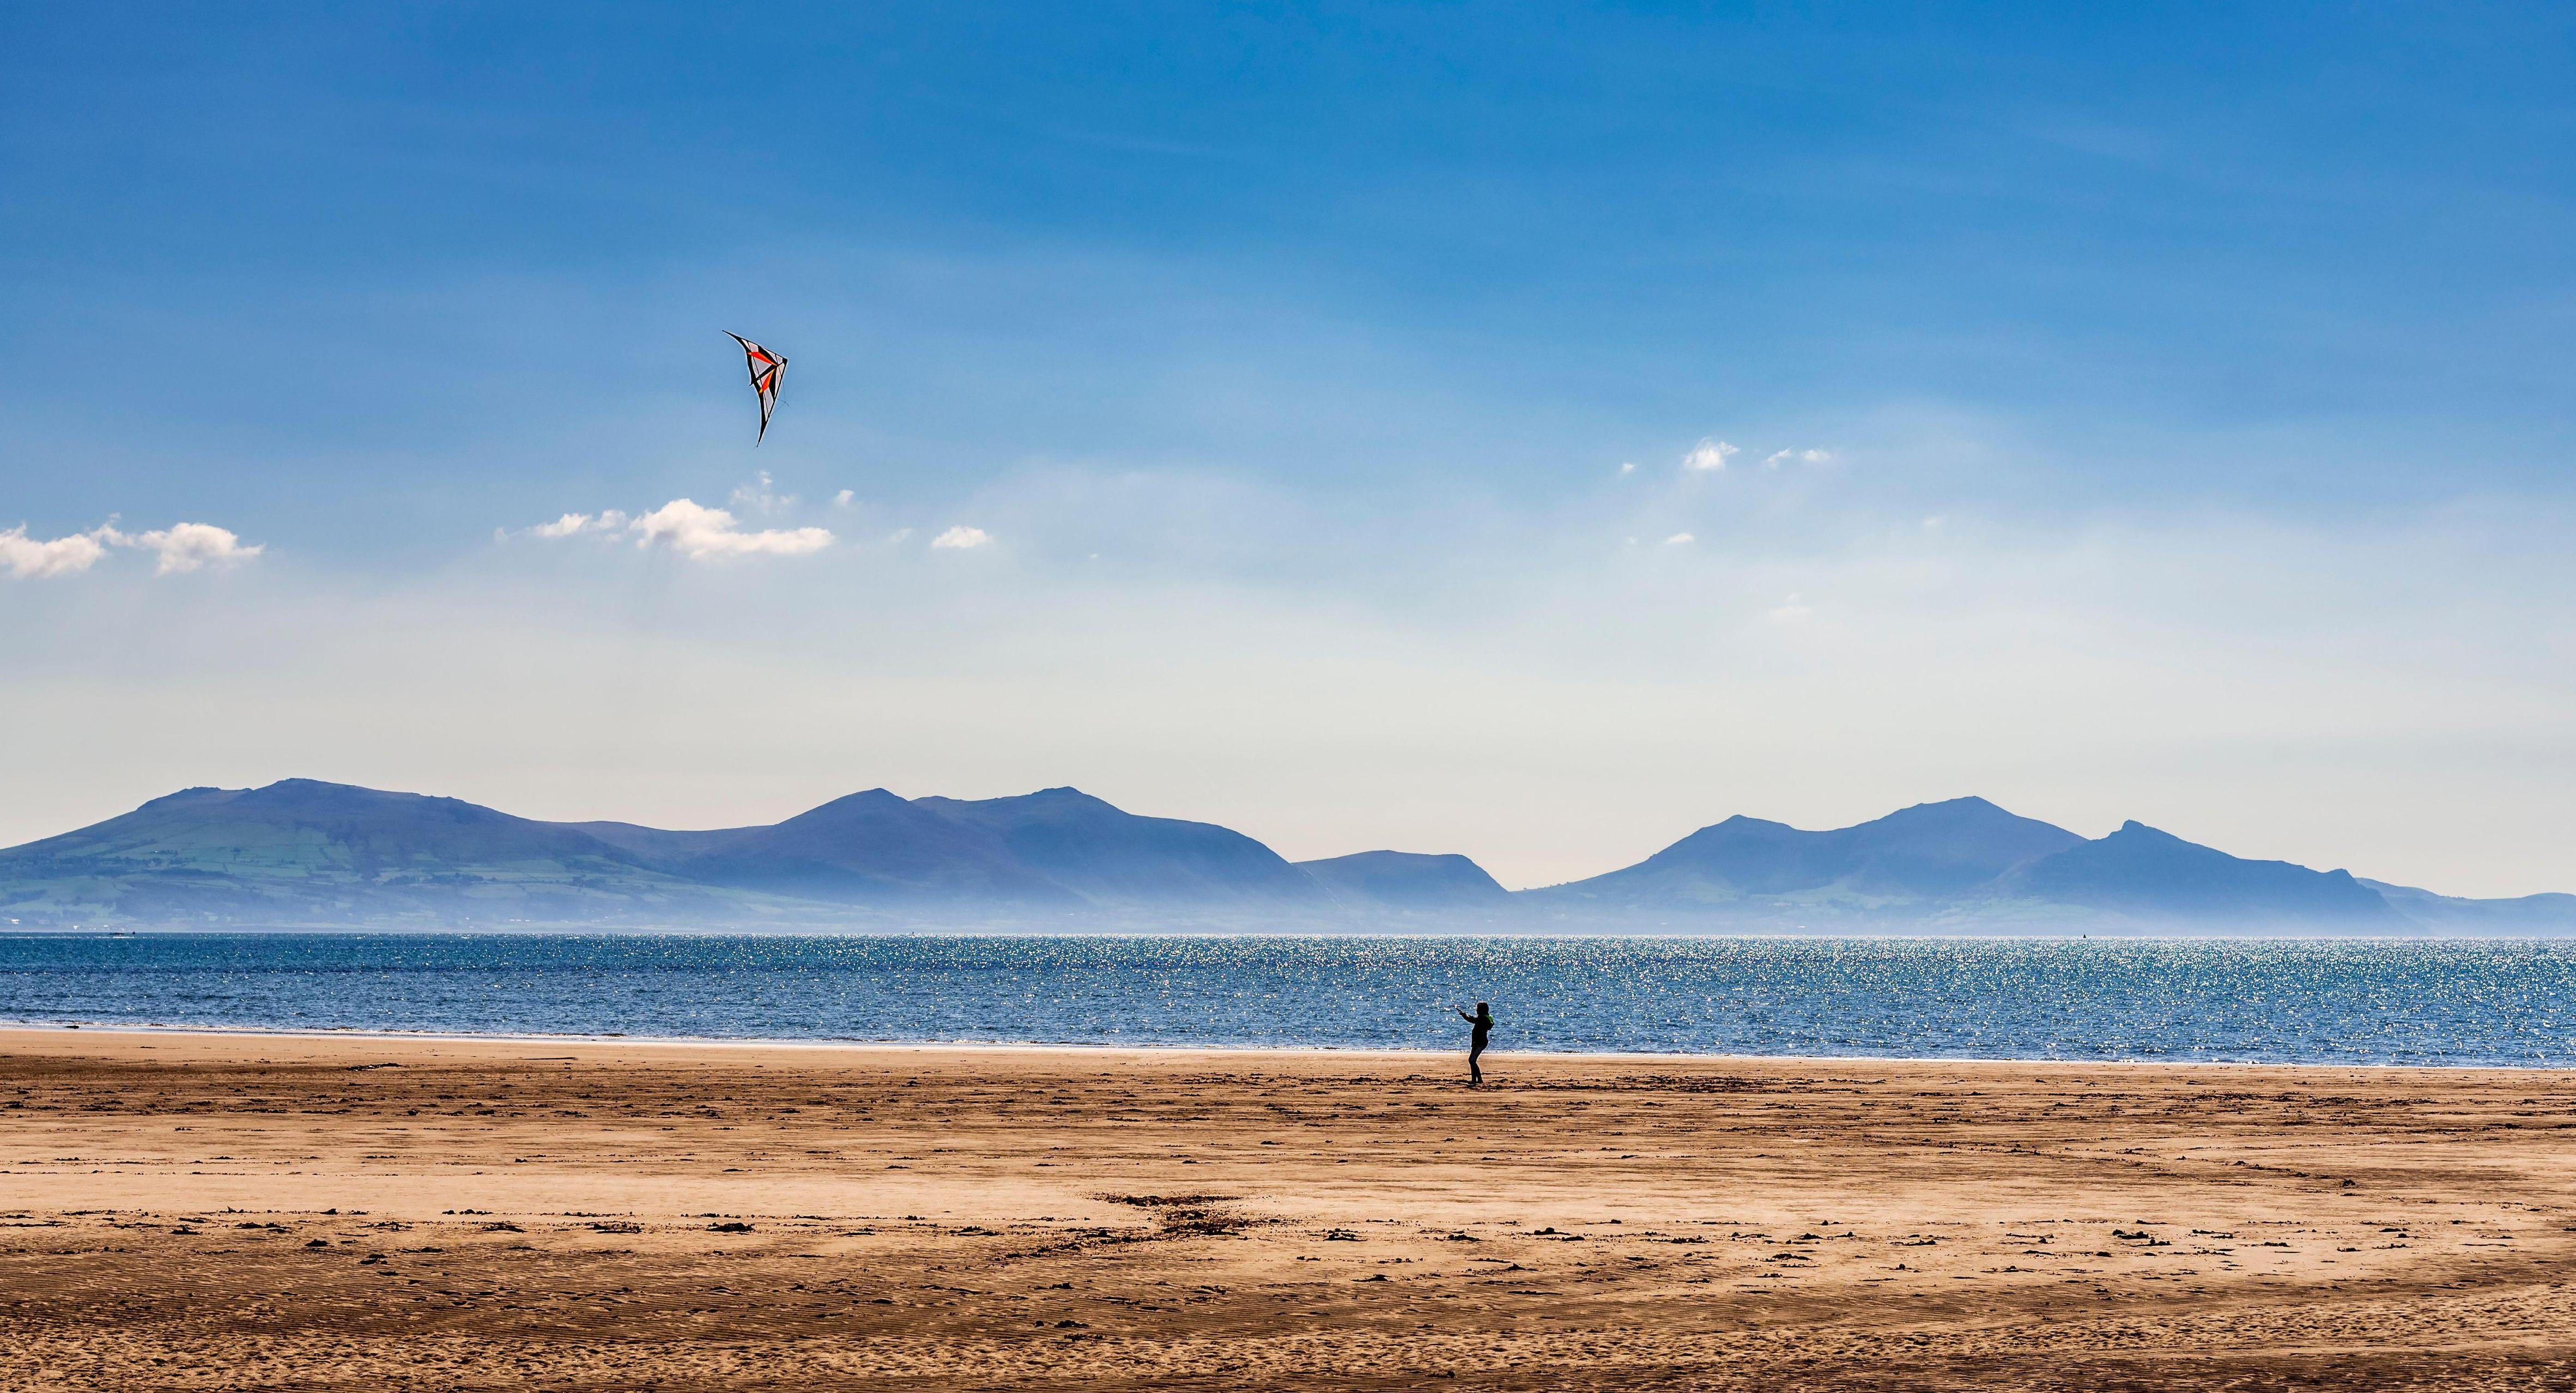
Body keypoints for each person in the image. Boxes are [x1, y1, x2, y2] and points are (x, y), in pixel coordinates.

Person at [1454, 1001, 1494, 1086]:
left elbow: (1472, 1020)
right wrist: (1465, 1015)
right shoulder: (1485, 1018)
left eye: (1477, 1009)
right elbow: (1473, 1019)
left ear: (1481, 1010)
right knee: (1472, 1060)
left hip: (1480, 1043)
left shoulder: (1482, 1019)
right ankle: (1476, 1080)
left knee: (1472, 1061)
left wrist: (1464, 1015)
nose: (1476, 1010)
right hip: (1477, 1042)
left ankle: (1477, 1080)